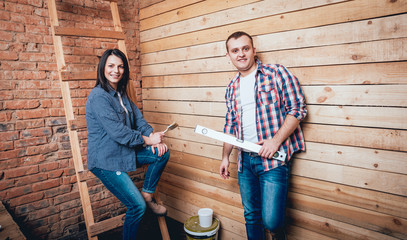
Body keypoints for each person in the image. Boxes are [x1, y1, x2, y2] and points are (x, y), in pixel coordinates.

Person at [219, 31, 307, 240]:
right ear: (228, 56)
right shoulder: (232, 88)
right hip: (245, 162)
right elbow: (230, 124)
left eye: (245, 48)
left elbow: (298, 109)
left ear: (253, 50)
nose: (241, 54)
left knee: (272, 222)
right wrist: (224, 157)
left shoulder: (276, 73)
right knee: (251, 216)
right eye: (235, 50)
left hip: (273, 161)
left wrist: (275, 142)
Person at [86, 49, 170, 239]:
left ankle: (148, 195)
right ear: (103, 68)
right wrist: (148, 141)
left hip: (123, 152)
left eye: (120, 66)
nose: (116, 70)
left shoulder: (121, 94)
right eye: (111, 66)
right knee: (137, 207)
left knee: (162, 153)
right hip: (105, 160)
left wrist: (152, 134)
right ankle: (142, 205)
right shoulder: (99, 96)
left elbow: (139, 120)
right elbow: (119, 133)